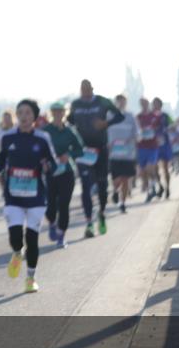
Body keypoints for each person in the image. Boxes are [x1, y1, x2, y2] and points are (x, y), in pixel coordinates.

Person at [0, 100, 56, 293]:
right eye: (20, 112)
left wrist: (47, 167)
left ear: (34, 116)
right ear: (17, 116)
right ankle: (17, 253)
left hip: (36, 196)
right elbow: (1, 158)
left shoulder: (42, 138)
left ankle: (30, 277)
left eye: (28, 112)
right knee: (15, 237)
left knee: (33, 238)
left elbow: (52, 164)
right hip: (14, 196)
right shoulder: (7, 137)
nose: (24, 116)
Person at [68, 79, 124, 238]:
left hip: (101, 149)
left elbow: (120, 116)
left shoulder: (103, 101)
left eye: (87, 88)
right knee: (85, 186)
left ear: (92, 88)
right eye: (82, 88)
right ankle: (89, 223)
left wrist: (106, 123)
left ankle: (101, 213)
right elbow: (70, 120)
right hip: (84, 150)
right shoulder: (76, 104)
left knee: (102, 185)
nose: (85, 90)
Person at [42, 102, 85, 249]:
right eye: (55, 111)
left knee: (64, 204)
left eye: (60, 111)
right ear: (51, 113)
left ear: (64, 113)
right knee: (51, 206)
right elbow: (39, 149)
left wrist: (69, 154)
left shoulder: (70, 131)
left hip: (67, 172)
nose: (58, 114)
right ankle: (52, 223)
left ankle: (61, 236)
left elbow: (80, 149)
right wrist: (44, 161)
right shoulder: (46, 131)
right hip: (51, 172)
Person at [106, 94, 137, 213]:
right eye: (119, 101)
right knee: (116, 179)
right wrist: (108, 144)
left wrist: (131, 140)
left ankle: (122, 203)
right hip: (114, 154)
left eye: (123, 102)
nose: (121, 104)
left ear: (126, 103)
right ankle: (114, 191)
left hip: (128, 154)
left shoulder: (130, 116)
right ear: (115, 103)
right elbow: (104, 132)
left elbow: (136, 134)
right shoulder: (109, 116)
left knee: (125, 179)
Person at [136, 97, 163, 203]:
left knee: (150, 168)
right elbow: (134, 130)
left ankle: (153, 188)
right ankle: (150, 190)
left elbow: (162, 128)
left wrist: (155, 132)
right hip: (141, 146)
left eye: (145, 103)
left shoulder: (155, 116)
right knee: (143, 172)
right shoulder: (138, 117)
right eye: (142, 103)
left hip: (153, 146)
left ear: (148, 104)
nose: (144, 105)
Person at [153, 97, 173, 199]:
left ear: (160, 105)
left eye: (157, 104)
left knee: (165, 168)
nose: (155, 106)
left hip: (164, 144)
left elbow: (173, 125)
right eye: (154, 104)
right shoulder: (151, 116)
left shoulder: (165, 116)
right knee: (154, 168)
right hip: (154, 145)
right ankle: (160, 186)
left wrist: (168, 128)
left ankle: (168, 188)